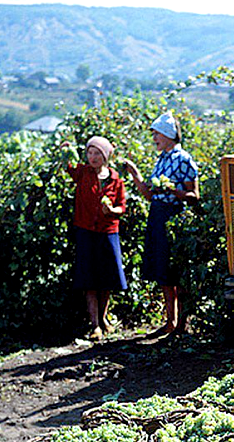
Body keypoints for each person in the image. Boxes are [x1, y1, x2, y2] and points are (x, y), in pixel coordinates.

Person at [122, 112, 199, 336]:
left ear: (167, 135)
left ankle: (183, 322)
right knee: (163, 270)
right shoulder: (162, 159)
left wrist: (173, 191)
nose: (154, 138)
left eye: (157, 134)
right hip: (158, 215)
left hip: (174, 217)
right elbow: (149, 195)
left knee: (177, 270)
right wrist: (135, 175)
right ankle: (170, 321)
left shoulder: (183, 159)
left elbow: (194, 195)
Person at [64, 136, 127, 341]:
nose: (92, 157)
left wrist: (111, 210)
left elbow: (122, 207)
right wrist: (66, 151)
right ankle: (95, 324)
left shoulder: (115, 179)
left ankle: (103, 318)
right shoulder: (82, 172)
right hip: (86, 231)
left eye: (97, 153)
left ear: (106, 156)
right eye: (90, 153)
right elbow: (69, 166)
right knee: (89, 278)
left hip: (108, 232)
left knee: (107, 278)